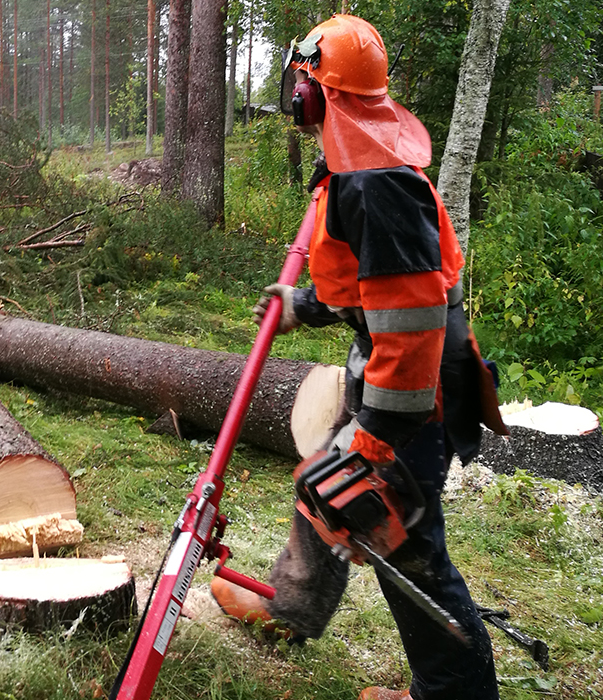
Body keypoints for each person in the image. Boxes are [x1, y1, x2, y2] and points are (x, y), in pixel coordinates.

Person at [209, 14, 508, 700]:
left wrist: (374, 441)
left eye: (301, 85)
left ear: (315, 94)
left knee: (408, 551)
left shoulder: (376, 184)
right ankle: (290, 610)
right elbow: (369, 287)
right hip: (384, 377)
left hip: (410, 396)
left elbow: (409, 329)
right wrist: (302, 307)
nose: (295, 98)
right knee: (323, 485)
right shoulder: (357, 168)